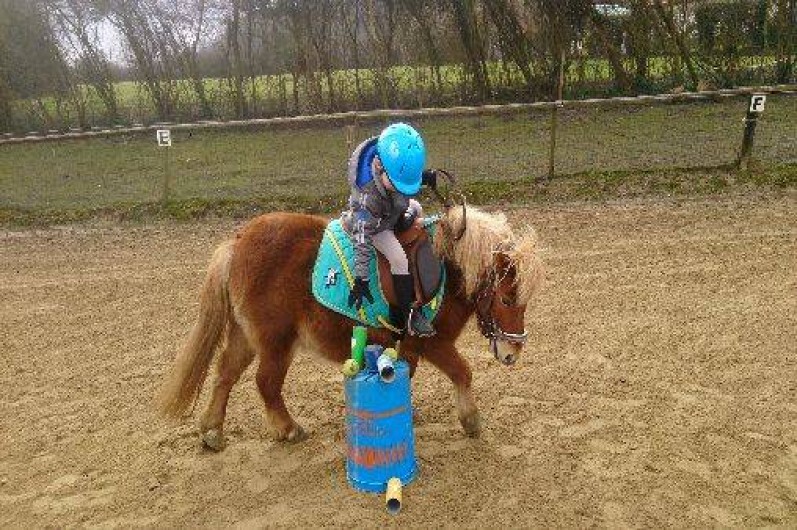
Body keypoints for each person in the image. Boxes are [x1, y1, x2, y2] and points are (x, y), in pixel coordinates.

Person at [342, 122, 436, 337]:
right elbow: (362, 238)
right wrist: (361, 278)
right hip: (376, 225)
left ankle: (418, 267)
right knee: (399, 259)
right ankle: (407, 314)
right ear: (378, 166)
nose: (401, 188)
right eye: (397, 184)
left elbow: (402, 175)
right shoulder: (366, 200)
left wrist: (422, 177)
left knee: (417, 207)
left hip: (392, 210)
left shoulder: (391, 163)